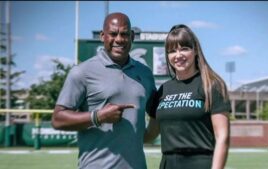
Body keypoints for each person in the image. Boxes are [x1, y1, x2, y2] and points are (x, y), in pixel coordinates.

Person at [51, 12, 156, 169]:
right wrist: (98, 116)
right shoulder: (82, 72)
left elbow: (156, 115)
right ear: (102, 36)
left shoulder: (145, 73)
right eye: (113, 34)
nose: (119, 39)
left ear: (132, 36)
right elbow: (57, 119)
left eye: (124, 34)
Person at [145, 24, 231, 169]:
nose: (178, 55)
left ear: (195, 50)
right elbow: (150, 134)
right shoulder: (163, 90)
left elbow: (223, 137)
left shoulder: (212, 85)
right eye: (172, 51)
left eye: (184, 49)